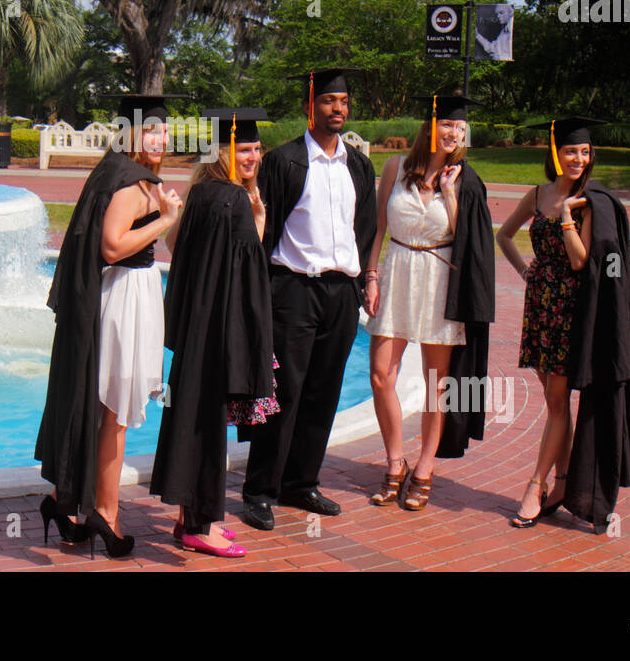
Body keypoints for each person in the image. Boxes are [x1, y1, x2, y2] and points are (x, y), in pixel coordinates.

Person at [35, 95, 183, 557]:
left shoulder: (120, 171)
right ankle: (107, 513)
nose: (160, 139)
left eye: (164, 132)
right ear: (132, 134)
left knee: (105, 409)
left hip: (125, 294)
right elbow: (114, 246)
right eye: (152, 131)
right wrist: (164, 219)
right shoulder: (130, 182)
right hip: (125, 295)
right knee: (116, 413)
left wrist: (164, 214)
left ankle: (68, 508)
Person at [240, 68, 378, 531]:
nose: (337, 109)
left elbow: (367, 227)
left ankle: (301, 483)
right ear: (309, 107)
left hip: (342, 293)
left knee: (324, 393)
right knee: (285, 393)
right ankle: (260, 490)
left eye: (343, 101)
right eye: (328, 101)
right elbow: (265, 229)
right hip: (294, 291)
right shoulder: (284, 161)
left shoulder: (358, 165)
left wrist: (365, 278)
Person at [497, 117, 630, 531]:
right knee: (553, 401)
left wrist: (564, 217)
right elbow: (504, 236)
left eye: (585, 152)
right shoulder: (537, 193)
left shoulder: (589, 201)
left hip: (570, 309)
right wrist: (526, 272)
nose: (579, 158)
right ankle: (562, 483)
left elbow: (579, 259)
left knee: (558, 401)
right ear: (555, 154)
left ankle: (535, 485)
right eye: (571, 151)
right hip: (539, 303)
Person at [151, 107, 274, 558]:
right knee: (206, 427)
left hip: (195, 329)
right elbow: (248, 273)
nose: (253, 157)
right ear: (223, 150)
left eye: (257, 149)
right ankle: (200, 526)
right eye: (244, 149)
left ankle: (190, 516)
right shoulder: (236, 201)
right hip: (221, 330)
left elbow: (176, 246)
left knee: (191, 419)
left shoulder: (201, 192)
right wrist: (258, 222)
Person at [362, 93, 495, 510]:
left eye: (459, 127)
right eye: (446, 125)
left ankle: (424, 469)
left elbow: (468, 239)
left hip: (440, 280)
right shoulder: (394, 168)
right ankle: (394, 461)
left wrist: (451, 194)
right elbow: (379, 228)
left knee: (438, 387)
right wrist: (371, 275)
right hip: (399, 270)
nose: (454, 133)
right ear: (429, 127)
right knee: (381, 372)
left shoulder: (467, 180)